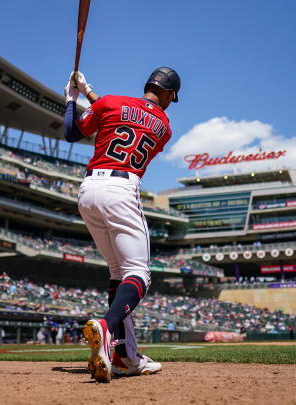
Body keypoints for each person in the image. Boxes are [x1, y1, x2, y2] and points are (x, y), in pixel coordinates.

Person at [63, 66, 180, 382]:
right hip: (122, 189)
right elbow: (128, 116)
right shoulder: (164, 126)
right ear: (168, 94)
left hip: (88, 191)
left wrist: (74, 99)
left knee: (118, 273)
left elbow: (73, 132)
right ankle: (106, 325)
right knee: (139, 274)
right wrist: (86, 93)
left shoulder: (111, 102)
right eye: (173, 96)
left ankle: (125, 356)